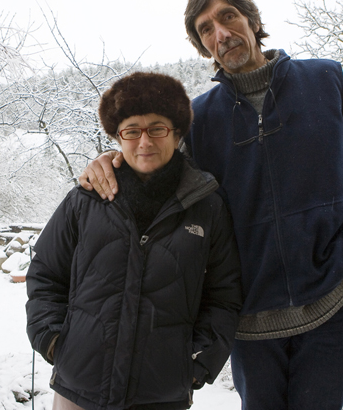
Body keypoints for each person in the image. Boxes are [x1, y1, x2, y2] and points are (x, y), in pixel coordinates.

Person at [79, 0, 343, 410]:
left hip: (333, 300)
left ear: (253, 21)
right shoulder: (200, 120)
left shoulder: (324, 81)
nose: (221, 33)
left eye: (228, 17)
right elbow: (157, 184)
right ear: (202, 45)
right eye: (206, 28)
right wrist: (109, 162)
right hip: (249, 316)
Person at [26, 71, 243, 410]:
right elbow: (45, 273)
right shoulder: (86, 199)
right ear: (118, 136)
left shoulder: (207, 207)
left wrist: (197, 362)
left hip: (161, 393)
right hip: (79, 388)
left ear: (176, 133)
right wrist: (54, 341)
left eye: (157, 128)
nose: (145, 142)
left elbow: (225, 295)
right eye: (132, 131)